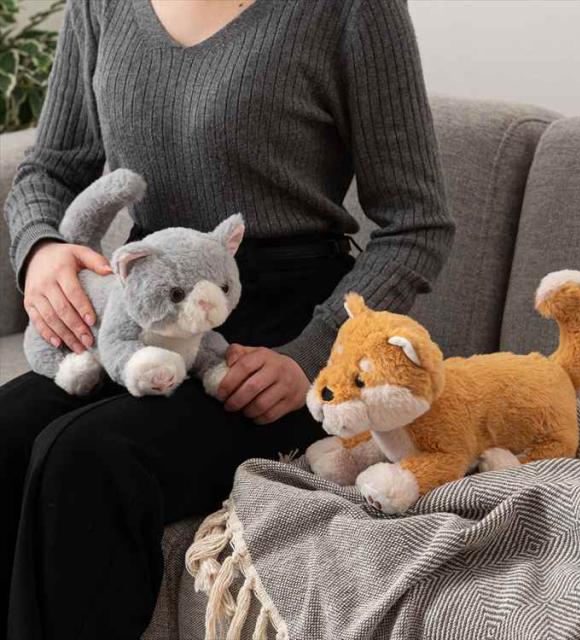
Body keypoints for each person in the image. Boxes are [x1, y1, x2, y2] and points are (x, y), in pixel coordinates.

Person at [0, 0, 453, 637]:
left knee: (86, 458)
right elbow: (48, 170)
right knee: (8, 430)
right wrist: (40, 250)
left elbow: (418, 224)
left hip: (285, 329)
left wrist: (314, 356)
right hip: (148, 310)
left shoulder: (352, 9)